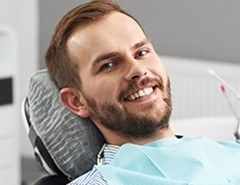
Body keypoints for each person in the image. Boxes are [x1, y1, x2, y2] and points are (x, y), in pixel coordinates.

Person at [45, 0, 240, 184]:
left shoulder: (224, 152)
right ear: (76, 101)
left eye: (141, 53)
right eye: (109, 65)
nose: (138, 70)